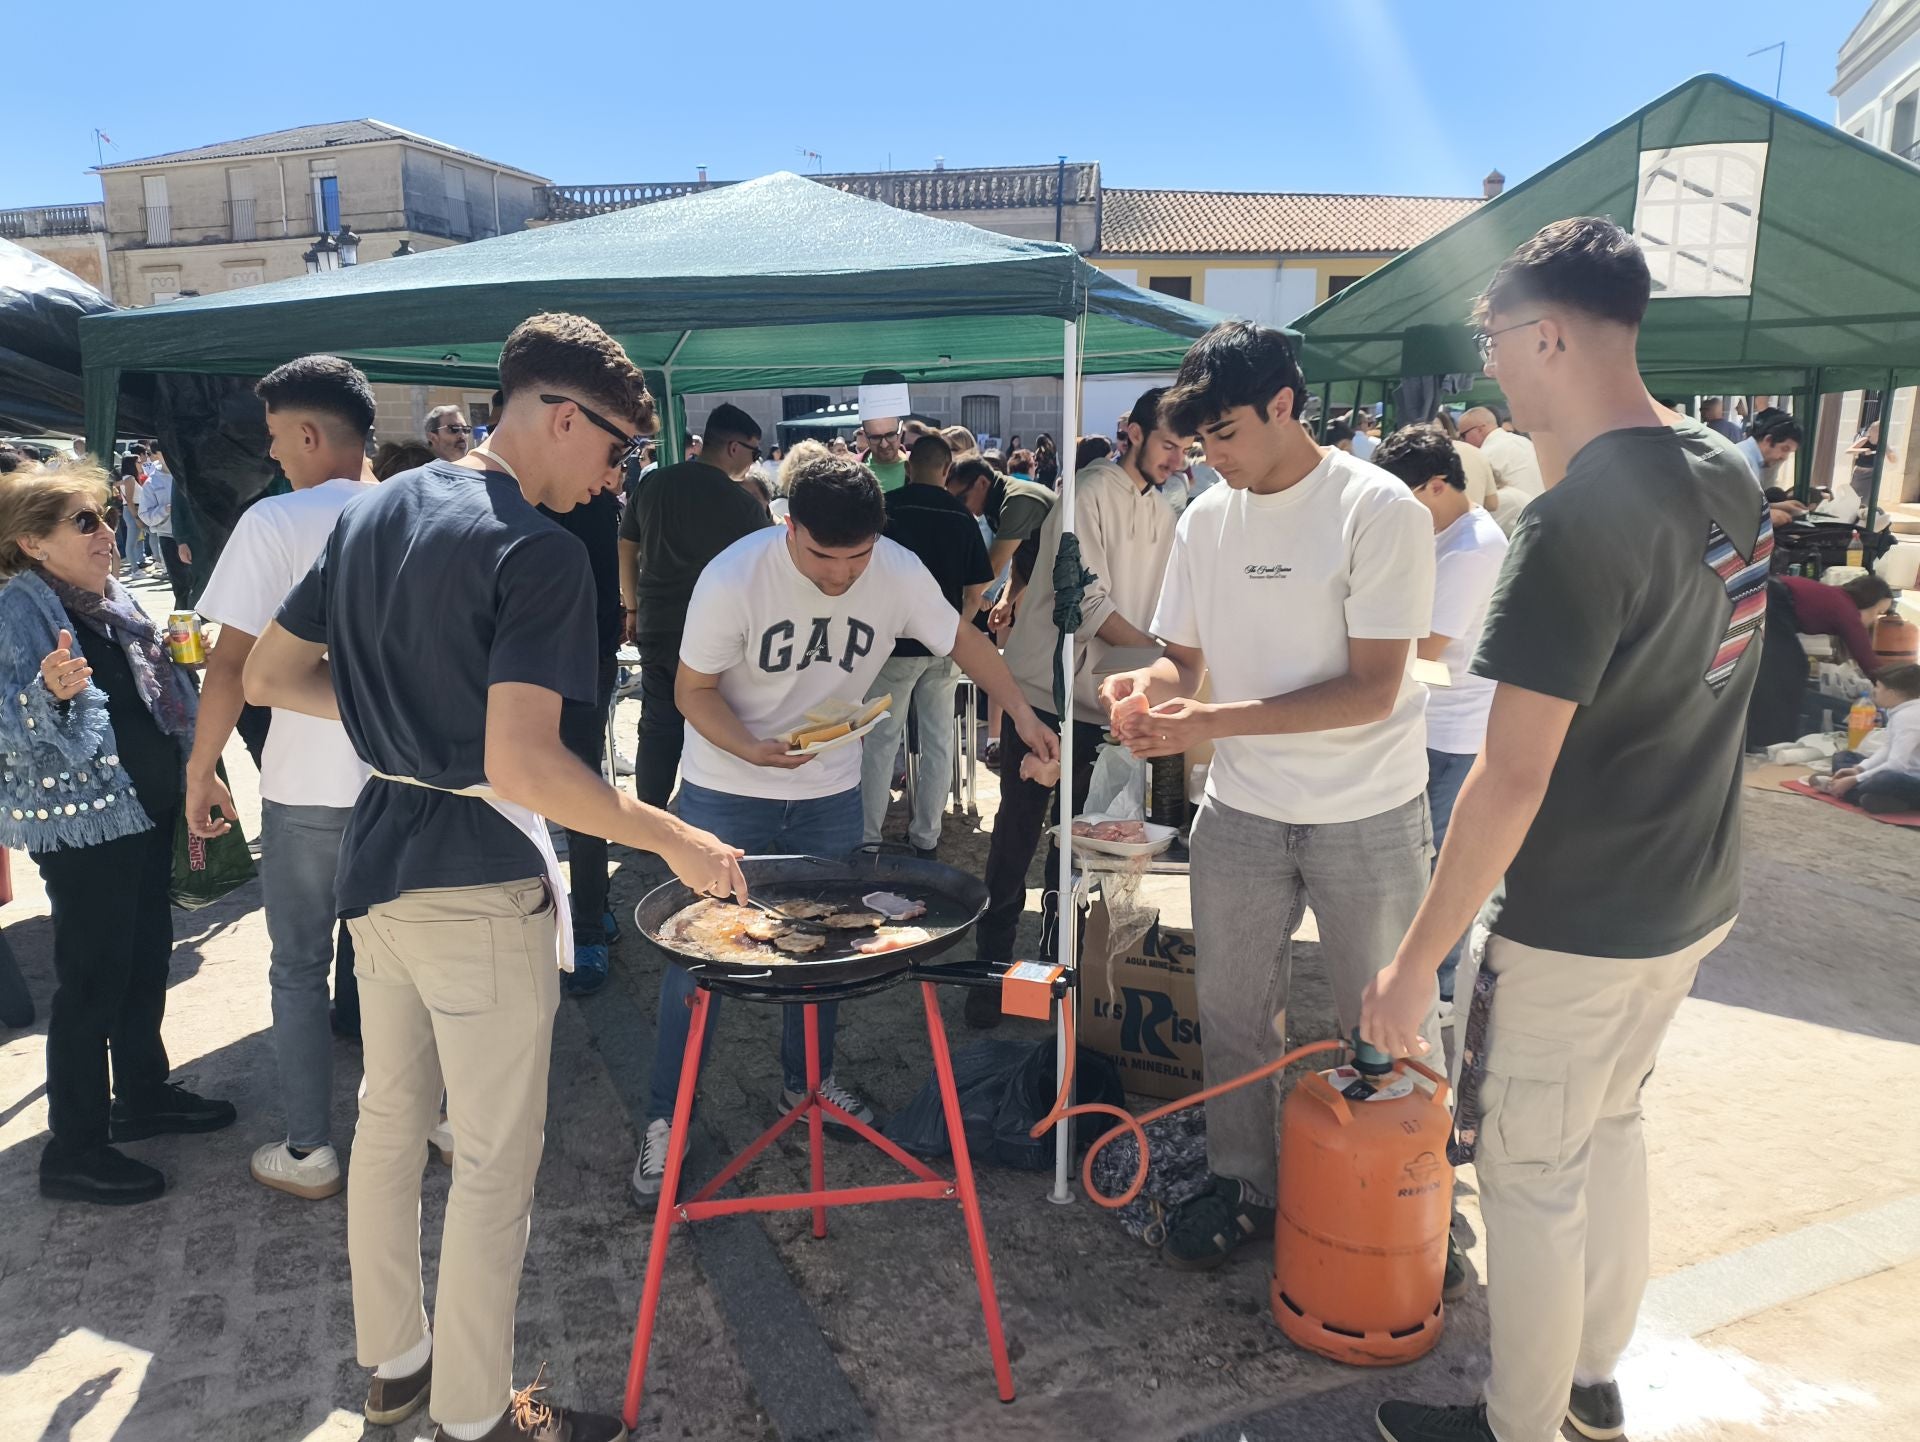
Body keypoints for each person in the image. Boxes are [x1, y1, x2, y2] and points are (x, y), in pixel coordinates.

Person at [245, 312, 743, 1442]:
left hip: (381, 854)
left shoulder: (374, 506)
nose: (620, 474)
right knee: (492, 1163)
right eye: (619, 450)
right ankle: (474, 1416)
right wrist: (669, 835)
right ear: (564, 417)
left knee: (387, 1122)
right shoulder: (537, 548)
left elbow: (274, 672)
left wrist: (400, 722)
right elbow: (525, 760)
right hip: (476, 873)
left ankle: (396, 1370)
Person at [1366, 218, 1772, 1442]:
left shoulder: (1572, 516)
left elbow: (1510, 772)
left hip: (1584, 910)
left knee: (1533, 1170)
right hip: (1694, 890)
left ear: (1548, 334)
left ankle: (1519, 1423)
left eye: (1496, 341)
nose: (1493, 367)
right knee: (1611, 1125)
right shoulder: (1726, 466)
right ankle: (1591, 1378)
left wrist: (1411, 963)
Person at [1099, 325, 1439, 1271]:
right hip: (1244, 813)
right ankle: (1243, 1183)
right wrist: (1148, 689)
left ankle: (1418, 1188)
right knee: (1236, 1009)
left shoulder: (1378, 509)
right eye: (1200, 440)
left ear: (1285, 404)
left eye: (1227, 434)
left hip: (1367, 810)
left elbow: (1373, 688)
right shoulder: (1209, 516)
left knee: (1386, 1014)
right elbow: (1188, 660)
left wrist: (1206, 724)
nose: (1212, 456)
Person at [635, 455, 1058, 1201]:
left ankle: (808, 1085)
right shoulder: (734, 577)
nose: (839, 577)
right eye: (821, 556)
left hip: (830, 788)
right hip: (727, 787)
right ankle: (667, 1117)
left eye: (855, 558)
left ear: (878, 537)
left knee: (828, 946)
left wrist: (1022, 713)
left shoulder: (894, 570)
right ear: (787, 526)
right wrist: (751, 749)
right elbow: (691, 691)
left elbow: (960, 640)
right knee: (697, 959)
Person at [0, 460, 232, 1205]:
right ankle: (73, 1150)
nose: (110, 530)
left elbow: (159, 698)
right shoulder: (19, 611)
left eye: (104, 515)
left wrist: (204, 768)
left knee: (141, 962)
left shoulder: (111, 597)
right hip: (87, 827)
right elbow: (12, 727)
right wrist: (50, 699)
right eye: (87, 521)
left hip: (146, 811)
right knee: (91, 984)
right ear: (33, 543)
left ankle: (142, 1093)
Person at [186, 355, 378, 1201]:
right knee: (408, 966)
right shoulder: (422, 507)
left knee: (298, 968)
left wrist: (203, 769)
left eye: (276, 442)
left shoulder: (276, 521)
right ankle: (439, 1122)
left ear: (308, 434)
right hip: (410, 785)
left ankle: (312, 1149)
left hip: (308, 790)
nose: (275, 459)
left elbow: (228, 667)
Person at [976, 388, 1189, 1028]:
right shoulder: (1089, 490)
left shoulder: (1167, 501)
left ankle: (1055, 976)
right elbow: (1088, 605)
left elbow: (1163, 602)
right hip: (1046, 692)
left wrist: (1158, 666)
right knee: (1017, 833)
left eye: (1186, 449)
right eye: (1168, 445)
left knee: (1080, 847)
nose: (1177, 460)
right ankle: (989, 976)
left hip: (1110, 698)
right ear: (1133, 432)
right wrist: (1167, 657)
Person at [1373, 424, 1508, 1009]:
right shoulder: (1436, 529)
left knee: (1433, 874)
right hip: (1424, 716)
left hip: (1454, 730)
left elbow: (1424, 644)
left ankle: (1439, 996)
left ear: (1433, 486)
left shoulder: (1475, 545)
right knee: (1409, 865)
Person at [619, 403, 771, 810]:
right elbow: (769, 569)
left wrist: (632, 607)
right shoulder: (744, 505)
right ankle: (705, 812)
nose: (754, 462)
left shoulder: (654, 483)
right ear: (735, 448)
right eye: (755, 453)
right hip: (716, 633)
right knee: (712, 722)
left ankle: (650, 814)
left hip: (655, 622)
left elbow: (626, 545)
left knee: (657, 724)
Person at [857, 434, 993, 856]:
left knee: (881, 742)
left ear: (908, 466)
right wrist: (953, 633)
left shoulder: (888, 510)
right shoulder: (962, 517)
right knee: (939, 742)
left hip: (891, 645)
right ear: (947, 471)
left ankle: (868, 839)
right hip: (945, 645)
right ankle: (927, 837)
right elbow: (977, 592)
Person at [1748, 572, 1896, 747]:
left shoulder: (1839, 599)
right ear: (1867, 601)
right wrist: (1897, 690)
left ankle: (1764, 737)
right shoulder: (1846, 611)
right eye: (1877, 612)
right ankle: (1769, 741)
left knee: (1781, 669)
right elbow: (1867, 660)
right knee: (1788, 671)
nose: (1874, 620)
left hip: (1769, 594)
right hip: (1774, 600)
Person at [1827, 663, 1920, 812]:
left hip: (1911, 779)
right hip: (1903, 773)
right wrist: (1859, 769)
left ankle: (1850, 791)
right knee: (1843, 757)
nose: (1874, 691)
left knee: (1883, 780)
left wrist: (1855, 779)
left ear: (1892, 694)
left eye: (1877, 687)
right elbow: (1887, 748)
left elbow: (1897, 766)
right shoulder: (1900, 711)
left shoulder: (1908, 717)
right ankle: (1867, 797)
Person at [1458, 405, 1545, 534]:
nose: (1463, 441)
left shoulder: (1485, 454)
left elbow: (1476, 501)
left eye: (1463, 436)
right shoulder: (1524, 442)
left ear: (1480, 429)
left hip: (1521, 524)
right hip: (1543, 515)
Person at [138, 447, 192, 607]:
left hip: (196, 536)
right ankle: (182, 622)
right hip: (169, 537)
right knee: (181, 586)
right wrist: (166, 509)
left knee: (201, 584)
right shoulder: (152, 482)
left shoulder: (188, 474)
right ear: (156, 455)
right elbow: (145, 515)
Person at [1738, 412, 1801, 491]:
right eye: (1784, 449)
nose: (1785, 457)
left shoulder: (1753, 460)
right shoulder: (1744, 461)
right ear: (1768, 439)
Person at [114, 453, 149, 570]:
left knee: (140, 539)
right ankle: (135, 569)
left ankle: (138, 564)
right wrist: (136, 518)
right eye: (138, 462)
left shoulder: (128, 478)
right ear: (132, 464)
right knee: (132, 541)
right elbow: (129, 500)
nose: (141, 464)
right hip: (133, 510)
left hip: (135, 510)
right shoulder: (129, 478)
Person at [860, 415, 909, 492]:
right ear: (865, 436)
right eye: (875, 437)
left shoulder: (920, 467)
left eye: (890, 435)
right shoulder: (850, 472)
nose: (884, 445)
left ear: (901, 431)